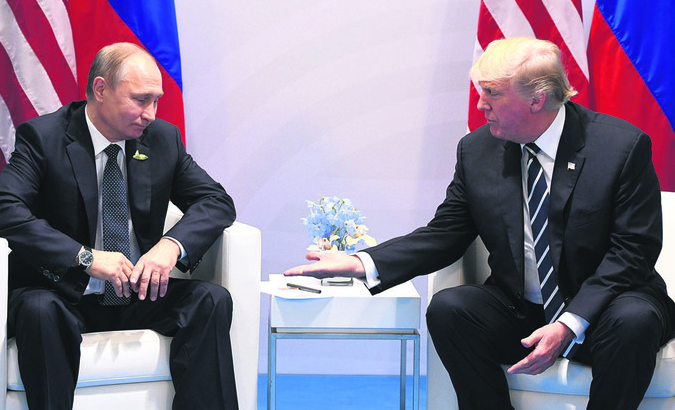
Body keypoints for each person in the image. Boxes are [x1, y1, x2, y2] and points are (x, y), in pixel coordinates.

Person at [285, 37, 675, 410]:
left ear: (537, 99)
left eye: (493, 92)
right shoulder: (478, 150)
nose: (480, 103)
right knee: (451, 308)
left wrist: (570, 323)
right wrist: (361, 263)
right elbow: (446, 233)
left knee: (633, 320)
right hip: (523, 309)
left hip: (606, 306)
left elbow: (632, 250)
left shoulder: (620, 147)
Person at [0, 42, 238, 410]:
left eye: (156, 101)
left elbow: (216, 202)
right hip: (61, 293)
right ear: (101, 90)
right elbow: (0, 210)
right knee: (38, 309)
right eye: (140, 99)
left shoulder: (162, 139)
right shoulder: (45, 137)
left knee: (210, 300)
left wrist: (170, 246)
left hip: (134, 293)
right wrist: (84, 257)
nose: (150, 113)